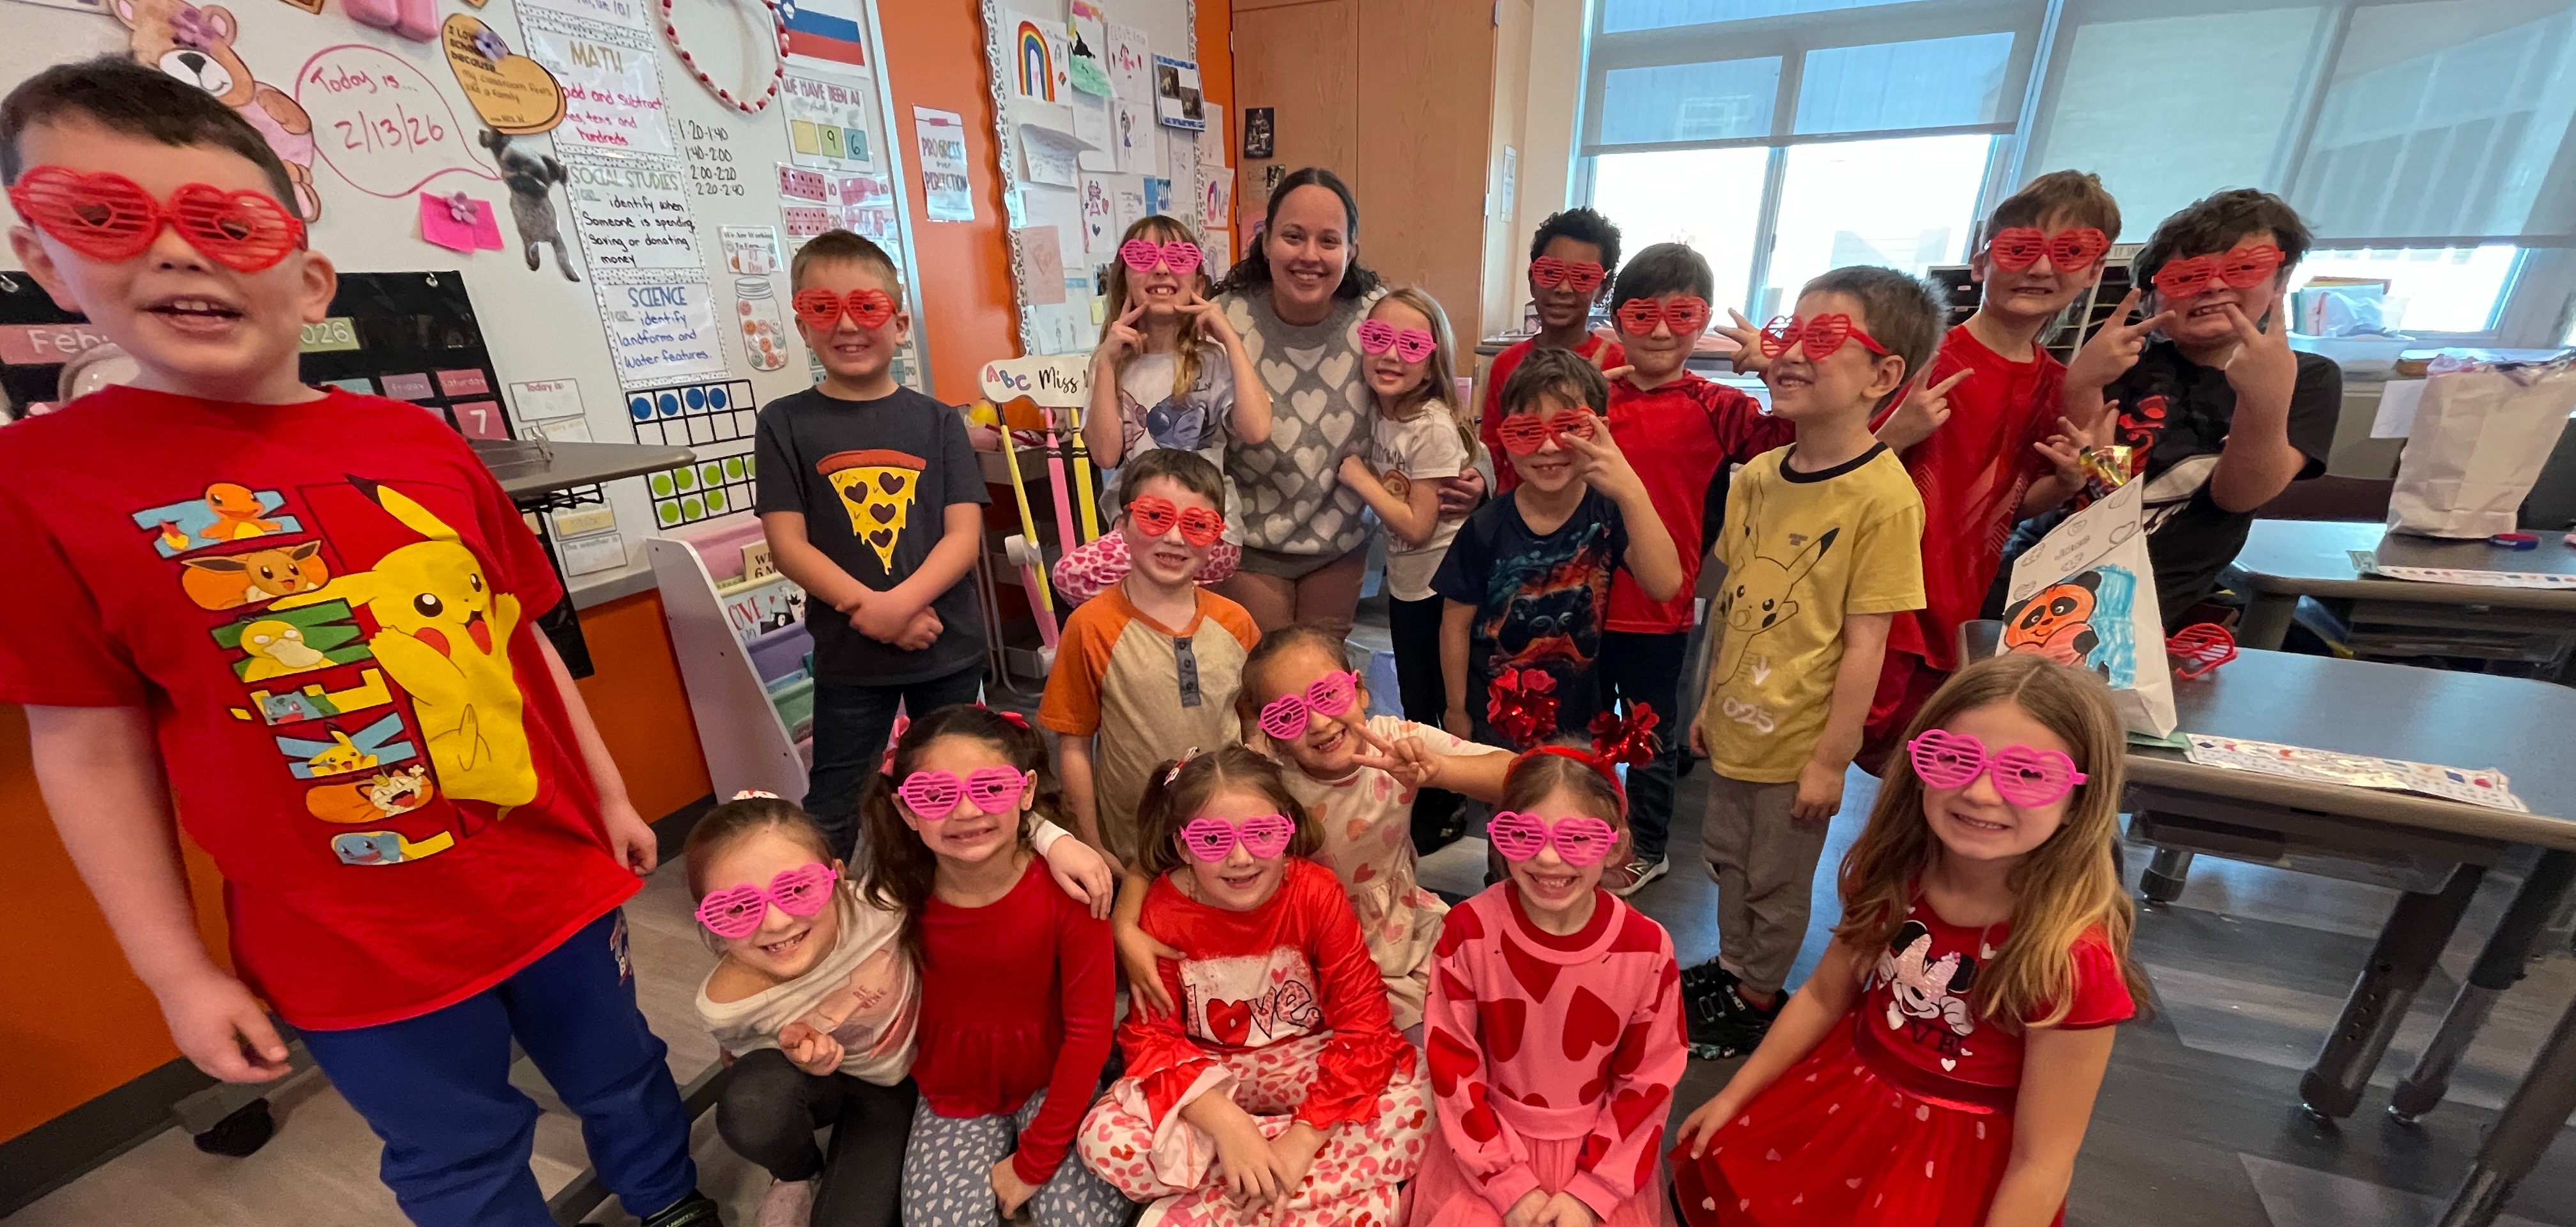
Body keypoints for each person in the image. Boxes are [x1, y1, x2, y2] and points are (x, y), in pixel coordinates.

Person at [0, 58, 718, 1227]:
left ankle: (673, 1203)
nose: (177, 254)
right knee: (456, 1153)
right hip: (347, 942)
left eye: (227, 224)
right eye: (106, 216)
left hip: (550, 878)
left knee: (624, 1071)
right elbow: (85, 749)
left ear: (308, 276)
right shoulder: (38, 486)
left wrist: (607, 794)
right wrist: (176, 973)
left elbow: (523, 636)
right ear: (42, 257)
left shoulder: (420, 445)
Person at [1671, 654, 2144, 1227]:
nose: (1981, 793)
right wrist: (1735, 1095)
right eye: (1955, 759)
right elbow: (1823, 995)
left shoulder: (2071, 959)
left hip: (1951, 1173)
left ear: (2078, 803)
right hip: (1841, 1107)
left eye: (2027, 774)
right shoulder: (1897, 873)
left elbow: (2042, 1161)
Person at [1683, 266, 1933, 1060]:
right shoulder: (1759, 477)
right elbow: (1732, 607)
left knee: (1777, 876)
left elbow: (1867, 643)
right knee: (1726, 859)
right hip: (1736, 723)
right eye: (1789, 332)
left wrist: (1831, 761)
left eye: (1822, 338)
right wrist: (1706, 701)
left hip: (1797, 747)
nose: (1790, 352)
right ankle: (1732, 967)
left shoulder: (1884, 499)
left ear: (1882, 376)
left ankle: (1757, 995)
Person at [688, 791, 1110, 1227]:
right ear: (708, 920)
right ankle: (796, 1174)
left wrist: (1052, 837)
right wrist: (794, 1057)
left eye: (797, 888)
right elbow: (744, 1059)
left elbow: (960, 827)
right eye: (736, 908)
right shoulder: (724, 1005)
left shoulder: (884, 904)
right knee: (754, 1102)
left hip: (906, 1082)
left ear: (836, 875)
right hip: (835, 1085)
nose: (776, 921)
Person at [1076, 746, 1432, 1226]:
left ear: (1287, 832)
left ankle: (1238, 1195)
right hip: (1210, 1075)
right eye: (1212, 840)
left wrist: (1302, 1141)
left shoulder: (1315, 892)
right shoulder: (1161, 908)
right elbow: (1153, 1039)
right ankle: (1303, 1189)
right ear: (1183, 846)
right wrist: (1229, 1126)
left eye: (1262, 834)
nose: (1241, 858)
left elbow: (1365, 1023)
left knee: (1425, 1096)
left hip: (1308, 1060)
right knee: (1103, 1139)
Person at [1848, 171, 2123, 772]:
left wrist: (2070, 481)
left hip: (1961, 609)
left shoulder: (2062, 382)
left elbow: (2028, 498)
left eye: (2069, 252)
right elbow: (1835, 476)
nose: (2041, 268)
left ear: (2094, 271)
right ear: (1982, 262)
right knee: (1835, 759)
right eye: (2021, 249)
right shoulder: (1920, 359)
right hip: (1878, 600)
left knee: (1922, 769)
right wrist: (1898, 432)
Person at [1152, 622, 1514, 1037]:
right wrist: (1128, 928)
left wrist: (1439, 771)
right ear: (1271, 734)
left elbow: (1518, 776)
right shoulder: (1266, 778)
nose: (1320, 722)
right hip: (1306, 947)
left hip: (1400, 932)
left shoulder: (1396, 742)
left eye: (1328, 694)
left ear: (1359, 691)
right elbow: (1175, 851)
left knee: (1483, 1006)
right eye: (1289, 715)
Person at [756, 229, 989, 862]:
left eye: (866, 306)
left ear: (899, 323)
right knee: (835, 803)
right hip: (851, 655)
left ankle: (950, 902)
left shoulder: (939, 421)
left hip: (945, 645)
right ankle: (819, 915)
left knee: (955, 792)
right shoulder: (784, 423)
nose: (847, 325)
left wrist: (897, 607)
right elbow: (788, 545)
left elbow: (963, 538)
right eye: (822, 308)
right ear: (802, 325)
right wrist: (874, 613)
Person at [858, 705, 1131, 1226]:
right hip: (952, 1090)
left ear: (1026, 792)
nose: (966, 811)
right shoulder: (894, 898)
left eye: (989, 788)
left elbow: (1089, 1035)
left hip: (1057, 1078)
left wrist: (1033, 1163)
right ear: (906, 811)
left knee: (1083, 1221)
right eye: (935, 796)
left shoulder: (1073, 894)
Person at [2015, 189, 2339, 628]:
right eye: (2187, 276)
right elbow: (2101, 489)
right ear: (2152, 297)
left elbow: (2238, 496)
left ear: (2280, 281)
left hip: (2139, 611)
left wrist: (2264, 400)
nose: (2214, 285)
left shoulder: (2309, 377)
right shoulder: (2127, 362)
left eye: (2244, 268)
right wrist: (2085, 384)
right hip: (2039, 575)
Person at [1588, 242, 1797, 897]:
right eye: (1642, 314)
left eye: (1681, 315)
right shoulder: (1596, 395)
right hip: (1579, 601)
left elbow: (1793, 443)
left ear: (1702, 321)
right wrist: (1577, 386)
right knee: (1590, 730)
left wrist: (1774, 370)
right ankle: (1587, 834)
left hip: (1660, 609)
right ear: (1618, 319)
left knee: (1648, 736)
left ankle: (1649, 844)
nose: (1659, 332)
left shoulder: (1720, 406)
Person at [1413, 743, 1687, 1227]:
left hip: (1601, 1157)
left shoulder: (1646, 949)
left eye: (1577, 838)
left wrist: (1593, 1193)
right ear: (1499, 836)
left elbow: (1649, 1081)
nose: (1548, 857)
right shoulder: (1468, 931)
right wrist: (1506, 1183)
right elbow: (1453, 1064)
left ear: (1615, 845)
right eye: (1523, 834)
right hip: (1484, 1147)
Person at [1211, 167, 1482, 637]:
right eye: (1293, 236)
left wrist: (1480, 474)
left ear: (1351, 250)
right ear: (1266, 240)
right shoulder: (1223, 320)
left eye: (1329, 241)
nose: (1309, 255)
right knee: (1270, 669)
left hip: (1340, 543)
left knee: (1325, 671)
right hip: (1249, 543)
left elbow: (1436, 397)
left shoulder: (1378, 318)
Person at [1433, 349, 1684, 751]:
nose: (1549, 447)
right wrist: (1455, 708)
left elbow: (1665, 585)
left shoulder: (1607, 512)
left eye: (1568, 429)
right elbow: (1454, 626)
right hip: (1493, 720)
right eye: (1527, 432)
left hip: (1578, 721)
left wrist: (1631, 489)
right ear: (1505, 438)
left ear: (1599, 432)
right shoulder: (1485, 527)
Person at [1041, 448, 1263, 870]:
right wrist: (1092, 842)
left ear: (1216, 537)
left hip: (1226, 842)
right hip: (1132, 848)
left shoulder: (1236, 623)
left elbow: (1253, 722)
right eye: (1156, 517)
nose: (1175, 538)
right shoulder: (1091, 626)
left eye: (1197, 524)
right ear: (1122, 526)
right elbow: (1073, 744)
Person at [1054, 214, 1270, 599]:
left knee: (1078, 576)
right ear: (1124, 279)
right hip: (1142, 531)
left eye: (1179, 258)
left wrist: (1229, 338)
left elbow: (1256, 430)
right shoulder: (1112, 364)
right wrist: (1105, 365)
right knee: (1083, 581)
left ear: (1198, 283)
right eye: (1142, 256)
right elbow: (1105, 455)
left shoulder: (1212, 359)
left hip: (1208, 533)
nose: (1161, 268)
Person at [1334, 286, 1477, 845]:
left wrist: (1359, 478)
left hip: (1441, 586)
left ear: (1433, 359)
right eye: (1379, 338)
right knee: (1418, 697)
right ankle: (1433, 792)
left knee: (1439, 699)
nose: (1392, 354)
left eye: (1411, 345)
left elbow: (1418, 525)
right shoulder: (1381, 410)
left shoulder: (1431, 426)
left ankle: (1449, 802)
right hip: (1409, 581)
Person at [1481, 208, 1627, 483]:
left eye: (1582, 277)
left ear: (1604, 288)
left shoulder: (1620, 365)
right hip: (1516, 503)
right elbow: (1492, 453)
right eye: (1550, 273)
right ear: (1532, 280)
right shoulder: (1507, 364)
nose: (1563, 288)